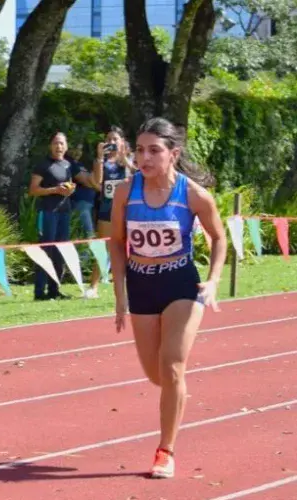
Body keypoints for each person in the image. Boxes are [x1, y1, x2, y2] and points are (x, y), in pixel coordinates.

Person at [109, 117, 226, 479]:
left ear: (173, 154)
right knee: (157, 374)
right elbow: (116, 241)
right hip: (142, 284)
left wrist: (213, 281)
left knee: (173, 364)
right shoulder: (126, 192)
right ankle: (176, 394)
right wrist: (119, 294)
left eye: (154, 151)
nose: (145, 157)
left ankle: (165, 451)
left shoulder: (193, 195)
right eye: (140, 150)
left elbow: (219, 238)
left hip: (181, 285)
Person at [87, 126, 135, 298]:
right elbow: (97, 181)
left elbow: (138, 174)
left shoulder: (131, 159)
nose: (112, 142)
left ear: (123, 142)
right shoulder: (103, 162)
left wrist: (124, 158)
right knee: (103, 247)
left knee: (130, 248)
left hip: (129, 211)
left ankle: (133, 286)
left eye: (115, 139)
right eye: (108, 139)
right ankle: (93, 287)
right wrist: (100, 158)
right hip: (107, 210)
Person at [29, 132, 76, 300]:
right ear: (50, 145)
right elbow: (33, 190)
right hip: (48, 212)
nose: (59, 147)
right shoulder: (43, 165)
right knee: (45, 250)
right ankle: (39, 292)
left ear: (66, 146)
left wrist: (70, 189)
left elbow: (68, 184)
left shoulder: (67, 165)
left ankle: (54, 290)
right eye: (56, 143)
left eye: (62, 143)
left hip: (64, 212)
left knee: (59, 252)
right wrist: (54, 190)